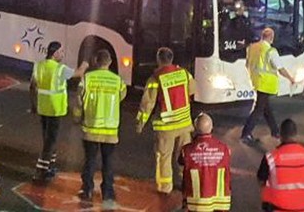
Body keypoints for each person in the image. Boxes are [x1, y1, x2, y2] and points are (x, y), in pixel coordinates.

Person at [136, 47, 195, 194]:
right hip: (185, 124)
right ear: (172, 59)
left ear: (158, 59)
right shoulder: (184, 74)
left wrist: (140, 124)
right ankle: (187, 183)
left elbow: (147, 105)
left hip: (166, 127)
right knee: (184, 156)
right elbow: (192, 90)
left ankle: (164, 188)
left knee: (164, 157)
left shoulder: (155, 78)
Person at [30, 41, 89, 182]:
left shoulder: (39, 66)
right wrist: (85, 65)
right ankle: (41, 171)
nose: (62, 54)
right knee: (50, 141)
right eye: (61, 52)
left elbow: (33, 86)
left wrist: (33, 104)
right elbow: (78, 73)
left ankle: (49, 165)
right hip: (55, 109)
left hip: (43, 108)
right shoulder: (60, 69)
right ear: (55, 53)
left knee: (48, 138)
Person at [76, 49, 126, 206]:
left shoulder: (87, 79)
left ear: (96, 61)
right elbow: (121, 96)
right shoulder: (118, 81)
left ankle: (88, 189)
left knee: (90, 161)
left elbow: (79, 100)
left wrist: (77, 117)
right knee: (108, 162)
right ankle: (108, 192)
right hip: (110, 131)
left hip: (91, 128)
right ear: (110, 62)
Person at [242, 28, 297, 145]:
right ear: (271, 38)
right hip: (265, 84)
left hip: (256, 80)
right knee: (259, 109)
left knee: (266, 108)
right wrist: (291, 78)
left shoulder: (252, 47)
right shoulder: (270, 51)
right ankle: (246, 133)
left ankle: (275, 131)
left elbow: (247, 64)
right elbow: (280, 68)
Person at [258, 119, 304, 212]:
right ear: (296, 134)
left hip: (278, 209)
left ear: (281, 135)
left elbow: (261, 180)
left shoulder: (271, 158)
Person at [179, 113, 232, 211]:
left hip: (196, 202)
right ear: (211, 127)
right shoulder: (225, 149)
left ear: (195, 128)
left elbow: (181, 162)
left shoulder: (186, 150)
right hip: (220, 203)